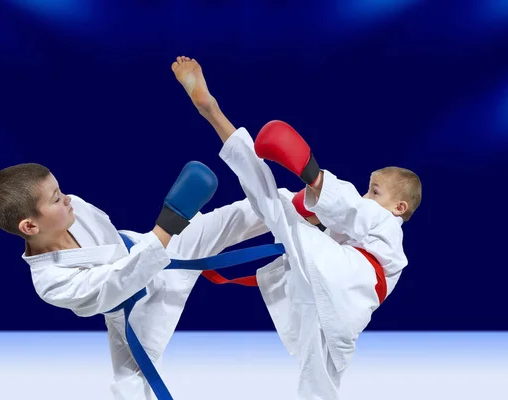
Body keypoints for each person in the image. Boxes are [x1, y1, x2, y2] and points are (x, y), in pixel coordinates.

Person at [172, 55, 422, 399]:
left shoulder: (388, 225)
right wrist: (311, 205)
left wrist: (314, 177)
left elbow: (352, 209)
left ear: (400, 206)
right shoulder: (363, 232)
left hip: (343, 278)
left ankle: (214, 113)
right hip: (335, 307)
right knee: (319, 381)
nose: (367, 195)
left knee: (272, 202)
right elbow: (342, 216)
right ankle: (216, 124)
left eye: (375, 191)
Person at [0, 160, 277, 400]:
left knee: (235, 217)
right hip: (135, 314)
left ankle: (309, 206)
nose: (68, 199)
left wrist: (163, 235)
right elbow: (115, 284)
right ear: (30, 225)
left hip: (155, 247)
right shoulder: (50, 281)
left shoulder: (76, 208)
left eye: (61, 190)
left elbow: (121, 248)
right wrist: (170, 222)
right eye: (57, 198)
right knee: (132, 390)